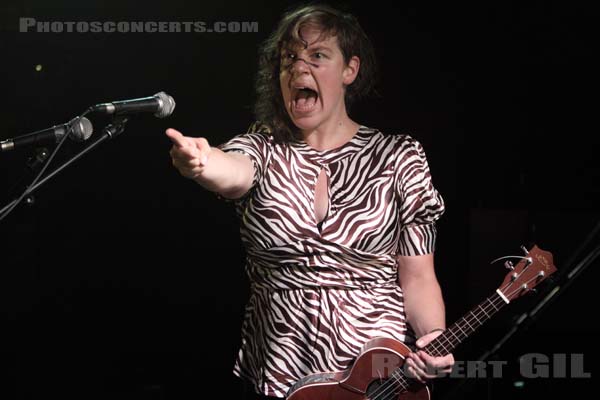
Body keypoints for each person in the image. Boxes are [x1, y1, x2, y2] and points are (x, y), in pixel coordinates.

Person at [166, 3, 454, 399]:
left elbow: (418, 276)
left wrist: (432, 340)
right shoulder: (265, 148)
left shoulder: (398, 157)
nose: (298, 68)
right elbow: (232, 171)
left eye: (317, 56)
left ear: (349, 70)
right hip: (280, 372)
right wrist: (202, 163)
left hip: (374, 377)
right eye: (289, 58)